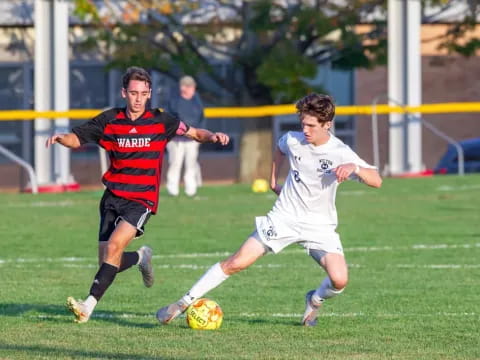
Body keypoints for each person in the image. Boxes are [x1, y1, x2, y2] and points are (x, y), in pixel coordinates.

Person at [156, 93, 382, 327]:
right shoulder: (293, 140)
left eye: (311, 125)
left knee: (339, 279)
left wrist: (354, 167)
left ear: (327, 125)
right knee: (237, 262)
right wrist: (274, 182)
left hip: (320, 225)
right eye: (303, 123)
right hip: (284, 217)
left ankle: (314, 301)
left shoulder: (339, 152)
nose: (305, 129)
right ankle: (182, 303)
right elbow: (280, 148)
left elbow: (376, 180)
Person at [46, 66, 229, 323]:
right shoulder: (109, 120)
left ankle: (87, 306)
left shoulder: (161, 120)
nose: (138, 98)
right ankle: (142, 257)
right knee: (108, 260)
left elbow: (195, 133)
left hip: (142, 198)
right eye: (133, 93)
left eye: (143, 93)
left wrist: (213, 137)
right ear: (124, 93)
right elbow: (78, 138)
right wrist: (60, 138)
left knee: (114, 247)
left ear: (149, 93)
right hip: (112, 198)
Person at [165, 76, 205, 197]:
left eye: (192, 86)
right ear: (182, 87)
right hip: (177, 139)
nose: (190, 89)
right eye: (187, 86)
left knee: (191, 164)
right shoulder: (174, 100)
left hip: (193, 139)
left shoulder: (196, 100)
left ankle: (191, 190)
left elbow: (201, 117)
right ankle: (173, 190)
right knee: (175, 163)